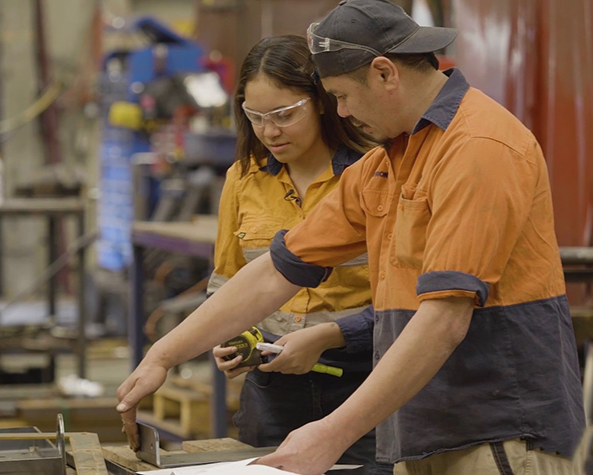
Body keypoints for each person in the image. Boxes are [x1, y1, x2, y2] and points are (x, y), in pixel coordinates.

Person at [117, 1, 586, 474]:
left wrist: (332, 434)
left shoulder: (478, 149)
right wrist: (164, 354)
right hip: (422, 431)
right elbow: (279, 269)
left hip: (497, 435)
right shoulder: (387, 164)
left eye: (341, 95)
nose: (339, 111)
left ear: (385, 73)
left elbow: (444, 320)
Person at [206, 34, 389, 474]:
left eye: (285, 115)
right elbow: (226, 281)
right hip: (272, 393)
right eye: (255, 116)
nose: (269, 131)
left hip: (365, 386)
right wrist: (230, 334)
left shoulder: (377, 172)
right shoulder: (244, 179)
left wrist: (328, 336)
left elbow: (407, 301)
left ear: (323, 100)